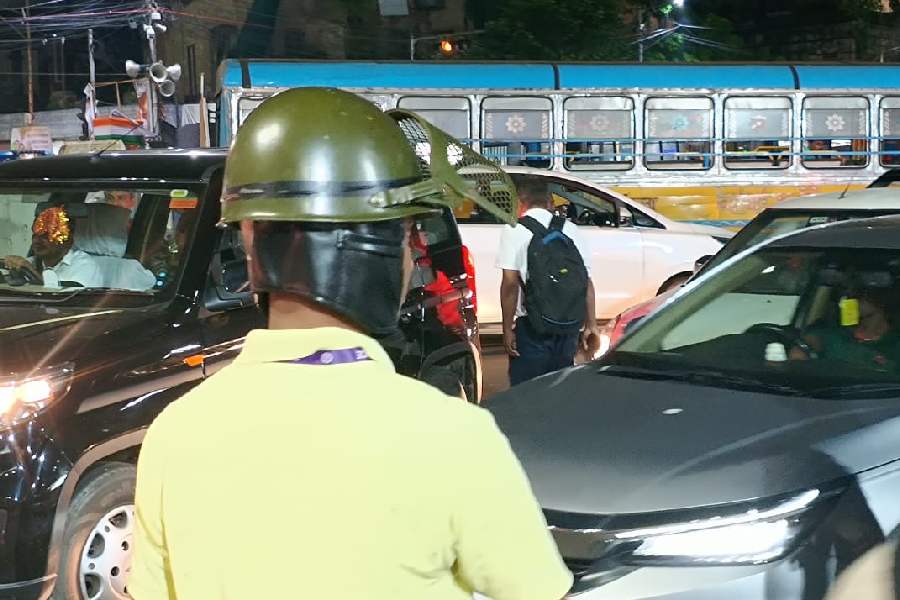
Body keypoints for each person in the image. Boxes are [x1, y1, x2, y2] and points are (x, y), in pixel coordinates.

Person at [128, 88, 573, 600]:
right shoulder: (452, 437)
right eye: (410, 234)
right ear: (388, 247)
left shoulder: (174, 435)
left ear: (248, 238)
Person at [497, 177, 601, 386]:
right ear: (549, 203)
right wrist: (591, 324)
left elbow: (510, 285)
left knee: (527, 391)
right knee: (559, 388)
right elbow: (586, 282)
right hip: (568, 325)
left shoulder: (514, 230)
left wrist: (507, 329)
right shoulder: (570, 229)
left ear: (520, 203)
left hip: (532, 327)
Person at [790, 286, 900, 371]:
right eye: (851, 298)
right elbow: (808, 344)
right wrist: (801, 354)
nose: (852, 303)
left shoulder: (895, 344)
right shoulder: (835, 336)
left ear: (885, 312)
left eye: (867, 317)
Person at [0, 205, 104, 288]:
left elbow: (64, 298)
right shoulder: (32, 262)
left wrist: (31, 271)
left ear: (68, 242)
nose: (36, 241)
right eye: (35, 235)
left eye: (46, 236)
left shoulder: (85, 266)